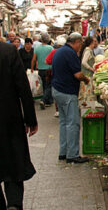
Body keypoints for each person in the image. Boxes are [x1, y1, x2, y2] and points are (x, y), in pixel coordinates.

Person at [0, 40, 38, 209]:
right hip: (9, 119)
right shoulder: (8, 51)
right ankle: (14, 205)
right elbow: (22, 86)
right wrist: (30, 119)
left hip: (10, 120)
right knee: (14, 164)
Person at [51, 32, 90, 163]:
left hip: (57, 90)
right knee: (73, 123)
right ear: (77, 42)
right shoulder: (70, 53)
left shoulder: (59, 51)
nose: (80, 47)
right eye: (80, 44)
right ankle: (72, 155)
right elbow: (78, 75)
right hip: (67, 92)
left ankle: (63, 152)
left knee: (64, 122)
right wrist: (86, 79)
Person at [31, 32, 54, 109]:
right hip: (49, 69)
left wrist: (32, 69)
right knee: (49, 85)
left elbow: (34, 59)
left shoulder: (37, 48)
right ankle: (44, 100)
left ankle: (49, 100)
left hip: (40, 69)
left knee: (44, 85)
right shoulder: (50, 48)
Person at [79, 37, 97, 105]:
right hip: (87, 75)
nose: (95, 44)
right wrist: (91, 68)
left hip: (87, 74)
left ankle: (86, 107)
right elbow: (83, 62)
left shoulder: (88, 50)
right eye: (94, 42)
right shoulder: (88, 51)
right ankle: (89, 108)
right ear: (91, 43)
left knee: (86, 92)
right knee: (88, 92)